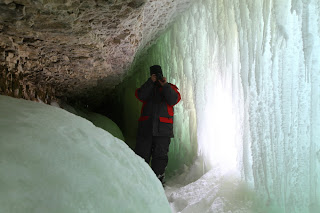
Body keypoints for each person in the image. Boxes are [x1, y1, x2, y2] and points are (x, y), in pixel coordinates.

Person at [135, 65, 181, 184]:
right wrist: (151, 82)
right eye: (154, 75)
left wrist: (164, 85)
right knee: (141, 155)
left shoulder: (169, 87)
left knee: (160, 157)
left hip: (163, 130)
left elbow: (173, 100)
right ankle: (141, 182)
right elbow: (140, 95)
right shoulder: (147, 87)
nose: (157, 76)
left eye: (158, 74)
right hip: (146, 128)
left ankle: (158, 182)